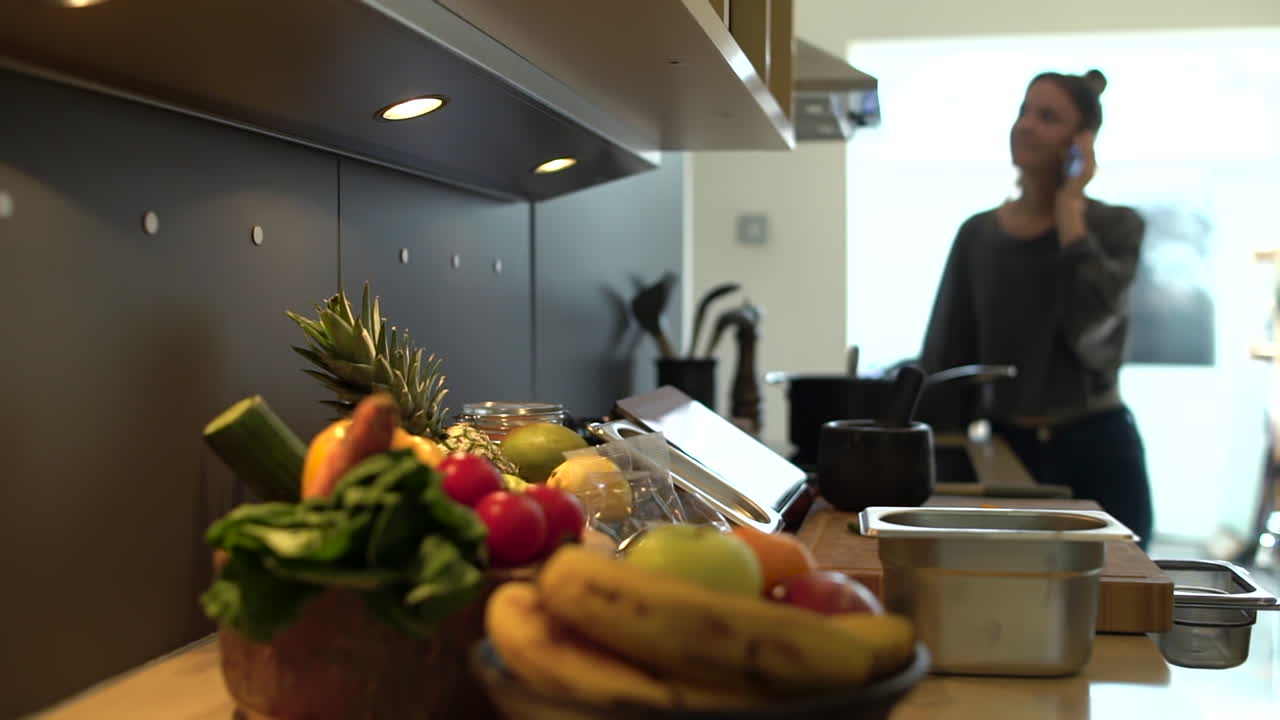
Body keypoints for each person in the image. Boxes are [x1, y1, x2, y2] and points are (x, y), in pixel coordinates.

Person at [920, 69, 1155, 548]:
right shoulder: (979, 235)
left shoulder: (1116, 228)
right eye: (1024, 110)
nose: (1026, 125)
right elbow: (947, 355)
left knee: (1118, 606)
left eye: (1047, 117)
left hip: (1097, 449)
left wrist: (1070, 207)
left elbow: (1094, 333)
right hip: (1006, 454)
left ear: (1081, 142)